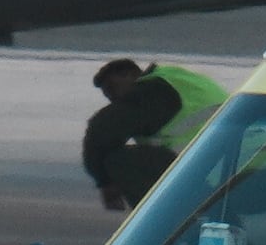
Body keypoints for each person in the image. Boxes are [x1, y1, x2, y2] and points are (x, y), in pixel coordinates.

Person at [79, 56, 225, 216]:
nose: (113, 99)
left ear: (129, 75)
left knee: (117, 160)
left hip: (207, 170)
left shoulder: (151, 92)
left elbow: (101, 130)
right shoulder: (177, 79)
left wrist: (105, 182)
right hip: (233, 161)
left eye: (112, 88)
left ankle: (162, 218)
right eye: (107, 95)